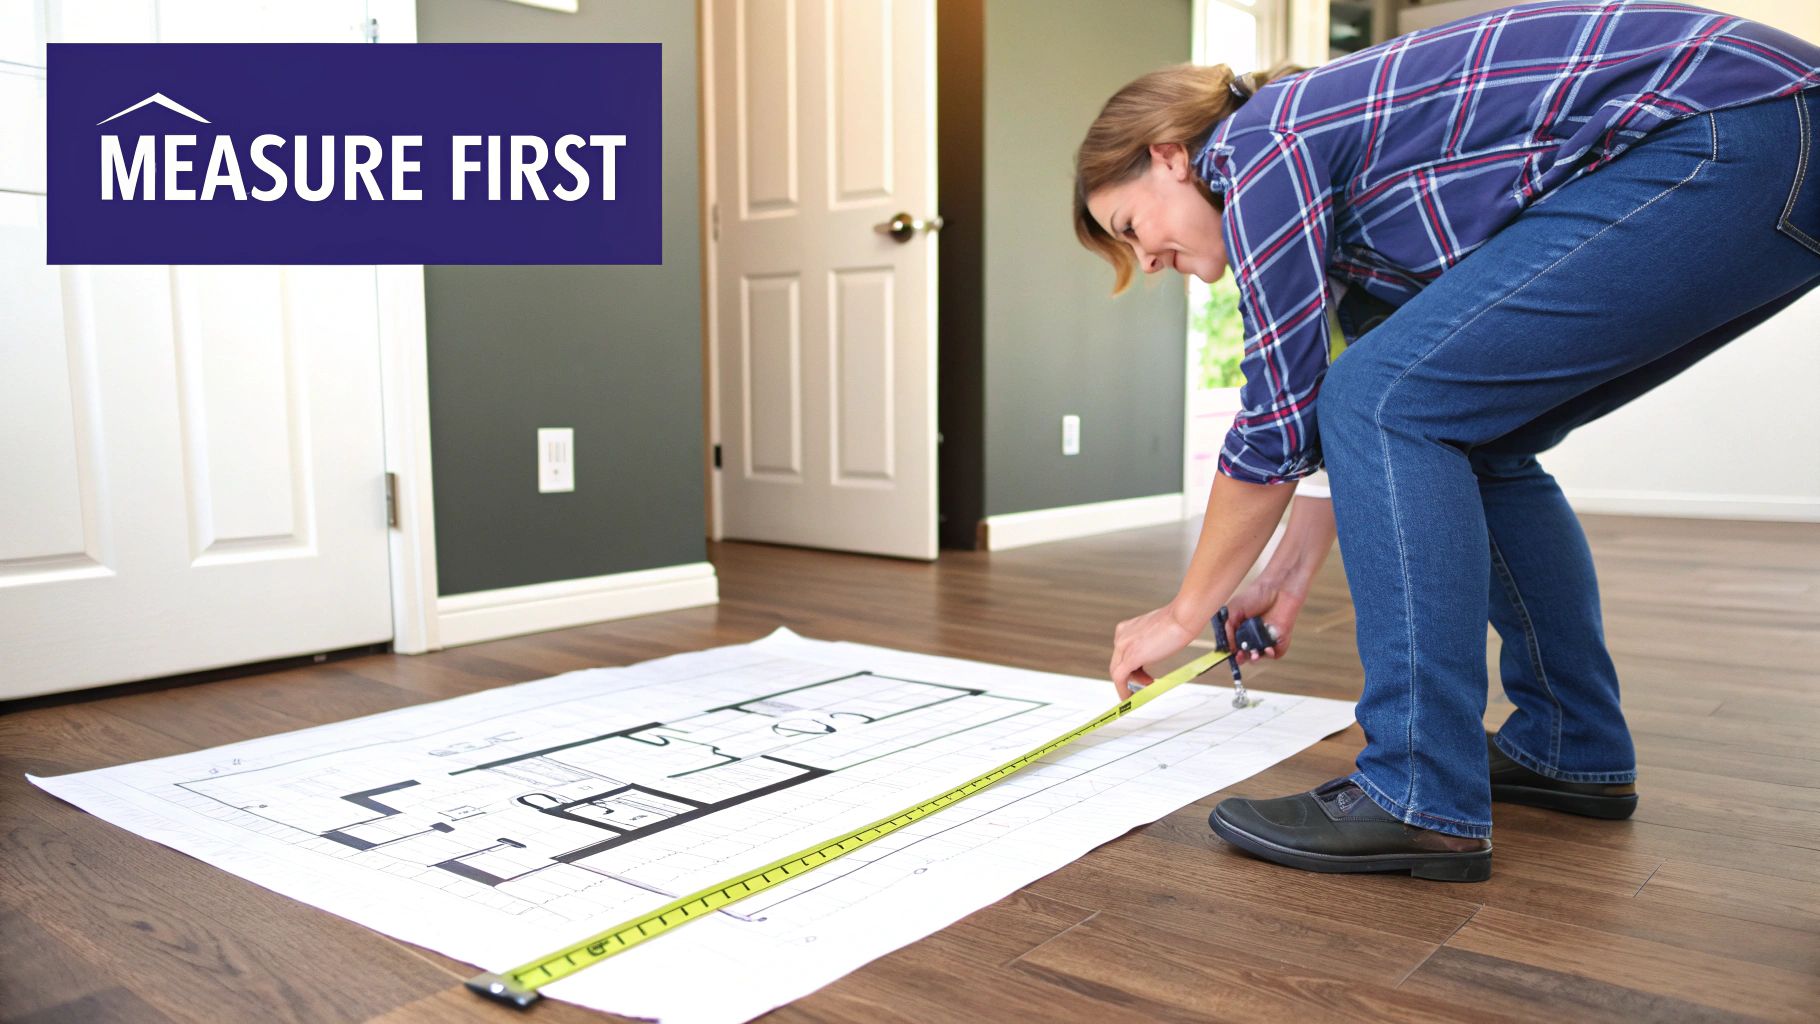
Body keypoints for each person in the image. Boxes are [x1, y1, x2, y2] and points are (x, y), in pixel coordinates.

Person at [1075, 0, 1820, 882]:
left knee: (1387, 401)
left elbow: (1279, 412)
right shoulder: (1339, 214)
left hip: (1737, 123)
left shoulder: (1260, 143)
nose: (1148, 261)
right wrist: (1286, 571)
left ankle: (1416, 791)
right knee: (1473, 431)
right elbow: (1340, 410)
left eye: (1132, 227)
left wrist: (1183, 613)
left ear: (1171, 156)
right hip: (1771, 138)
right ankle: (1568, 745)